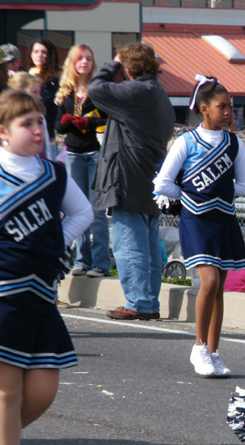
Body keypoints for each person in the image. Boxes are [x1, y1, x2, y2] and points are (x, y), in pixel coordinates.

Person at [0, 90, 92, 445]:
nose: (38, 130)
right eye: (26, 124)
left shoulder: (55, 174)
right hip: (3, 295)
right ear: (3, 132)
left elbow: (82, 214)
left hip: (41, 295)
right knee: (7, 393)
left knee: (43, 388)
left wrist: (58, 248)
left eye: (40, 122)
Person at [154, 76, 245, 378]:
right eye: (221, 107)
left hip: (223, 219)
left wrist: (221, 192)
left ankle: (214, 352)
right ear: (203, 109)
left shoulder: (235, 143)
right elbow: (162, 183)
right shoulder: (186, 142)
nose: (227, 112)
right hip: (195, 220)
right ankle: (198, 347)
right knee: (208, 282)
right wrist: (191, 195)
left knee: (219, 287)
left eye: (230, 107)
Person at [88, 43, 175, 321]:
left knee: (128, 242)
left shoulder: (136, 91)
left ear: (128, 68)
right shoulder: (158, 93)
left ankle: (137, 302)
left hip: (127, 173)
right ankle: (148, 302)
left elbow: (96, 89)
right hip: (148, 173)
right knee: (148, 244)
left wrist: (112, 64)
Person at [55, 44, 110, 279]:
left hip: (94, 153)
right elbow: (57, 126)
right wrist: (68, 121)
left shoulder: (97, 91)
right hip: (74, 155)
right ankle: (82, 260)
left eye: (89, 58)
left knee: (96, 210)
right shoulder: (65, 93)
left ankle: (100, 263)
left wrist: (89, 124)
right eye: (80, 59)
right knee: (77, 209)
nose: (85, 62)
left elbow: (107, 118)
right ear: (73, 63)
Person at [28, 39, 60, 161]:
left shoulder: (55, 81)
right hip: (28, 135)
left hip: (48, 137)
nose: (39, 55)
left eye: (43, 52)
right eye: (36, 51)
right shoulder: (25, 76)